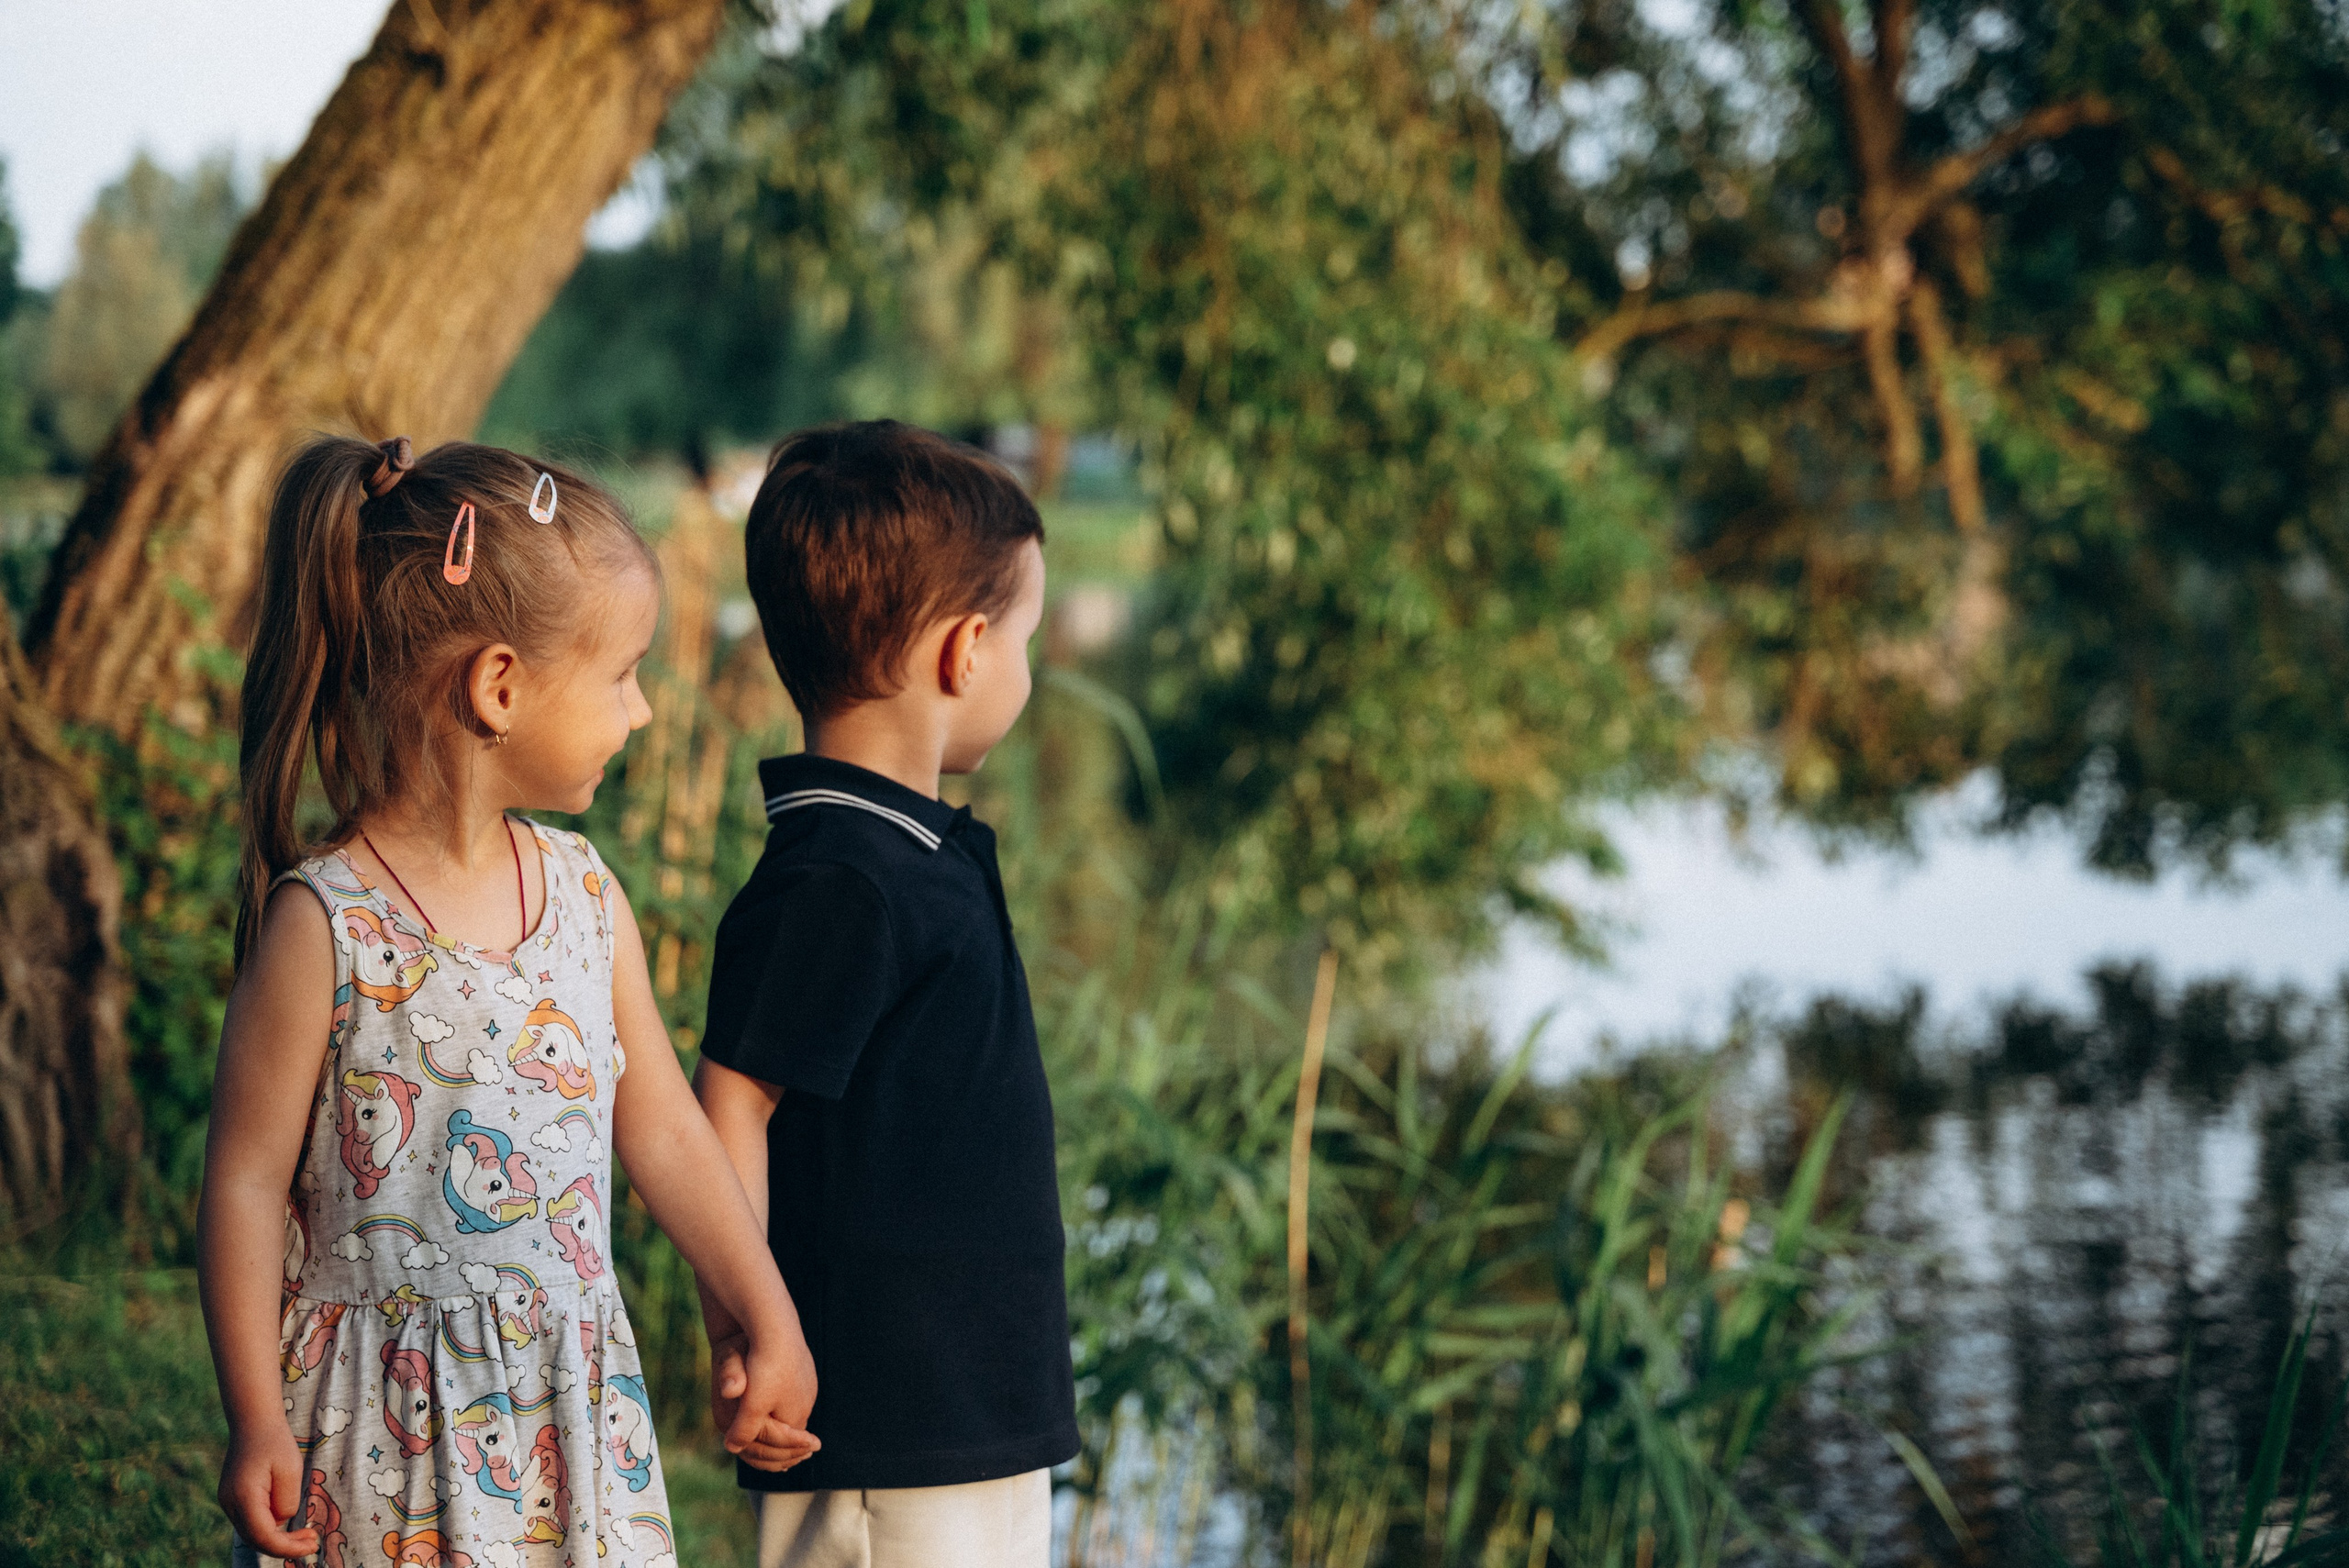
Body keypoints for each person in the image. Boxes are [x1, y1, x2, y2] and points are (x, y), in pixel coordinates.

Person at [198, 436, 818, 1568]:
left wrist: (762, 1306)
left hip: (565, 1420)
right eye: (622, 672)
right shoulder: (324, 924)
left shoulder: (585, 895)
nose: (639, 711)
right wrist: (254, 1413)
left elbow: (669, 1126)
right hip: (379, 1448)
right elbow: (243, 1178)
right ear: (499, 686)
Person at [694, 420, 1076, 1568]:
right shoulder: (840, 876)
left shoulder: (908, 849)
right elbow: (731, 1101)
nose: (1025, 663)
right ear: (964, 651)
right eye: (1026, 637)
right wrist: (749, 1327)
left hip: (973, 1418)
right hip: (888, 1432)